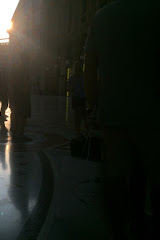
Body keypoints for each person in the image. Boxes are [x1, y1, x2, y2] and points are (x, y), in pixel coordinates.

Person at [84, 0, 160, 239]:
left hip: (113, 110)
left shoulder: (102, 16)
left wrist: (92, 105)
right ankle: (145, 223)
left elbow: (89, 66)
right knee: (152, 173)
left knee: (115, 176)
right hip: (152, 112)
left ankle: (118, 231)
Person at [8, 51, 31, 139]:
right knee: (21, 114)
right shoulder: (23, 68)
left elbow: (11, 81)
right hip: (21, 94)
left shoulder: (16, 67)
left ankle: (15, 129)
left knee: (17, 112)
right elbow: (24, 81)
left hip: (17, 93)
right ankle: (20, 133)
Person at [68, 61, 87, 135]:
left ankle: (77, 130)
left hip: (76, 97)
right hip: (82, 97)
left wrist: (72, 91)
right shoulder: (84, 76)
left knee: (77, 115)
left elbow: (68, 87)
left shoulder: (72, 77)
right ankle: (86, 129)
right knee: (84, 115)